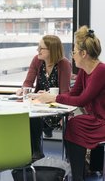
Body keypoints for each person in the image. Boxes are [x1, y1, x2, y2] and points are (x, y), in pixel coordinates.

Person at [36, 25, 105, 181]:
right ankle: (77, 174)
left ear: (84, 54)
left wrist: (54, 98)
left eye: (73, 52)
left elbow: (81, 100)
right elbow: (72, 94)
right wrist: (50, 96)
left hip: (102, 120)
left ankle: (77, 175)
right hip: (95, 118)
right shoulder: (84, 71)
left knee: (74, 125)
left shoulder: (100, 71)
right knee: (73, 125)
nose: (72, 56)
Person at [16, 35, 71, 161]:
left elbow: (65, 93)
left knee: (35, 117)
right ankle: (36, 153)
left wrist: (48, 96)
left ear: (52, 50)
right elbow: (28, 82)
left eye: (42, 48)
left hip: (56, 107)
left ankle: (42, 145)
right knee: (30, 116)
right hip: (38, 104)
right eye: (38, 47)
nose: (38, 50)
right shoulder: (37, 60)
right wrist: (23, 90)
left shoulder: (64, 64)